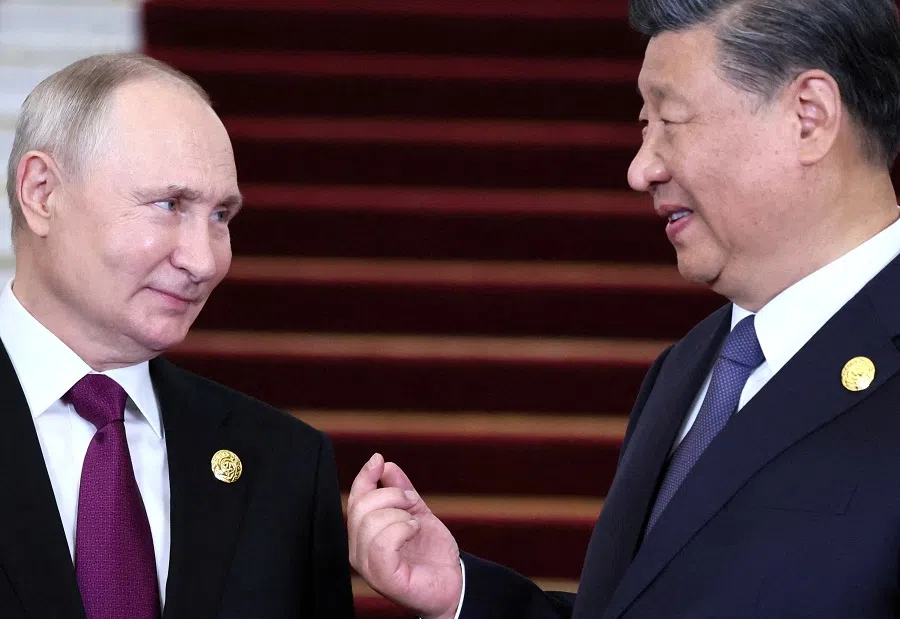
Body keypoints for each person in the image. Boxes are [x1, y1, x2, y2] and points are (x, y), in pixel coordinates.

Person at [347, 0, 900, 617]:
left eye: (671, 120)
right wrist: (462, 596)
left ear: (809, 117)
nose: (643, 168)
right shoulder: (691, 366)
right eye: (644, 125)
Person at [0, 53, 354, 619]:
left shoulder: (284, 465)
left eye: (221, 217)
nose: (204, 261)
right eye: (168, 205)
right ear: (42, 193)